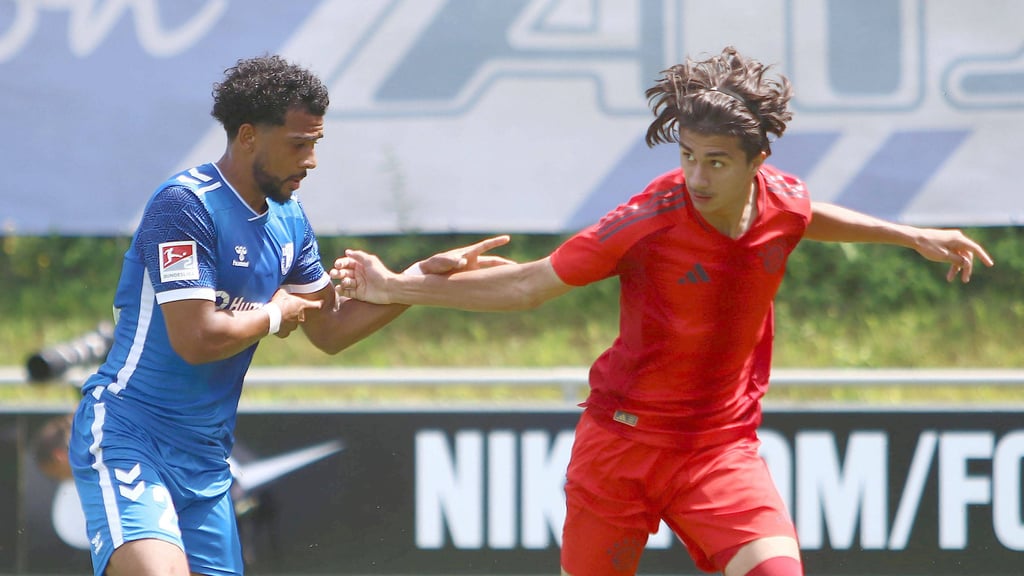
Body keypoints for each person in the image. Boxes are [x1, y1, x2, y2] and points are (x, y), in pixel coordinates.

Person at [332, 46, 995, 576]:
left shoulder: (782, 201)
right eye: (687, 157)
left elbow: (806, 215)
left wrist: (911, 236)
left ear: (758, 162)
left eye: (716, 162)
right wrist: (393, 288)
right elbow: (528, 287)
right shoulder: (646, 220)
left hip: (719, 450)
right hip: (620, 447)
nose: (697, 177)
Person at [67, 54, 509, 576]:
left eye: (316, 143)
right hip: (130, 434)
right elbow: (196, 338)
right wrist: (275, 315)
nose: (312, 161)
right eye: (299, 144)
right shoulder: (184, 206)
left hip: (207, 460)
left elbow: (330, 329)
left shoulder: (289, 220)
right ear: (248, 136)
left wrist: (415, 280)